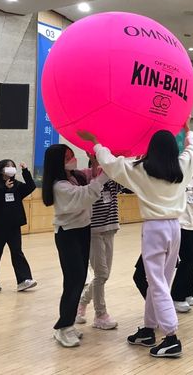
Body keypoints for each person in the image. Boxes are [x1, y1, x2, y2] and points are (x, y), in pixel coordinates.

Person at [78, 123, 193, 359]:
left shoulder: (141, 169)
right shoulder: (183, 165)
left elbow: (111, 163)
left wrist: (95, 141)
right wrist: (188, 130)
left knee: (156, 282)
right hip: (175, 228)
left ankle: (171, 337)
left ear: (151, 149)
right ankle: (148, 329)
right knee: (161, 280)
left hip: (155, 229)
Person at [42, 145, 110, 348]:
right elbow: (85, 195)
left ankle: (68, 324)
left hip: (83, 231)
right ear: (58, 162)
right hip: (68, 234)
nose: (73, 160)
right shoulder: (59, 186)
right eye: (68, 157)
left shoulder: (75, 177)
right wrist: (105, 176)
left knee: (79, 280)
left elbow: (92, 175)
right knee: (73, 280)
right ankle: (63, 327)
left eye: (72, 155)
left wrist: (96, 160)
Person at [76, 154, 120, 331]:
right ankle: (100, 314)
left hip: (110, 230)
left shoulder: (114, 182)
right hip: (94, 232)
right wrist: (94, 163)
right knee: (101, 274)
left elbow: (126, 172)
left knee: (104, 275)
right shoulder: (88, 184)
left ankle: (81, 302)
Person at [0, 160, 37, 293]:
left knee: (17, 252)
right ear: (1, 170)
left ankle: (24, 280)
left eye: (12, 166)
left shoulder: (16, 185)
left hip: (14, 225)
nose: (11, 168)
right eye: (8, 166)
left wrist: (25, 171)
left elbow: (31, 186)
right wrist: (3, 188)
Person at [171, 160, 193, 313]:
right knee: (186, 261)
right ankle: (177, 296)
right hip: (182, 226)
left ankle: (188, 292)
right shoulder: (180, 181)